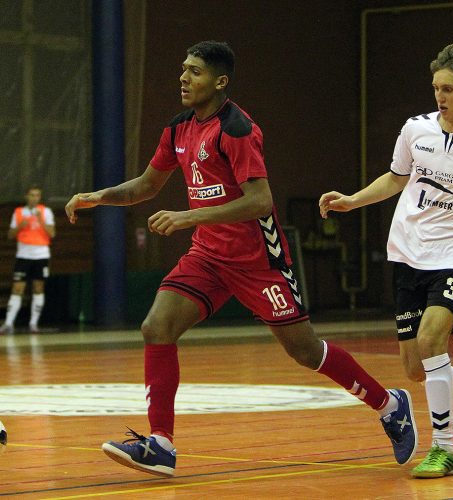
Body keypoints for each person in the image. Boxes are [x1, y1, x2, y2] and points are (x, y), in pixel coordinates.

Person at [65, 40, 417, 478]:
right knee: (156, 326)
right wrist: (98, 197)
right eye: (183, 69)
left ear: (220, 81)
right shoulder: (178, 129)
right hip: (208, 255)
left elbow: (259, 201)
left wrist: (189, 215)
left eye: (194, 71)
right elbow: (145, 186)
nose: (183, 77)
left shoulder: (237, 129)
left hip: (257, 260)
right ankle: (161, 444)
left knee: (306, 352)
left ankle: (389, 404)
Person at [320, 42, 453, 478]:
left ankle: (443, 448)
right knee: (416, 367)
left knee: (432, 338)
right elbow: (396, 178)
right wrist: (353, 200)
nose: (440, 96)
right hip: (406, 252)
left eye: (450, 88)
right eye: (436, 87)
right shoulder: (415, 129)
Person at [0, 186, 56, 334]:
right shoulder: (19, 212)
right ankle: (8, 323)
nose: (34, 198)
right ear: (27, 197)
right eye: (32, 195)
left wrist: (40, 220)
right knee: (17, 288)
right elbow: (10, 235)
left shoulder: (45, 212)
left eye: (37, 195)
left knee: (38, 288)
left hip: (41, 255)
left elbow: (52, 233)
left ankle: (33, 323)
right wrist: (20, 226)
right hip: (23, 255)